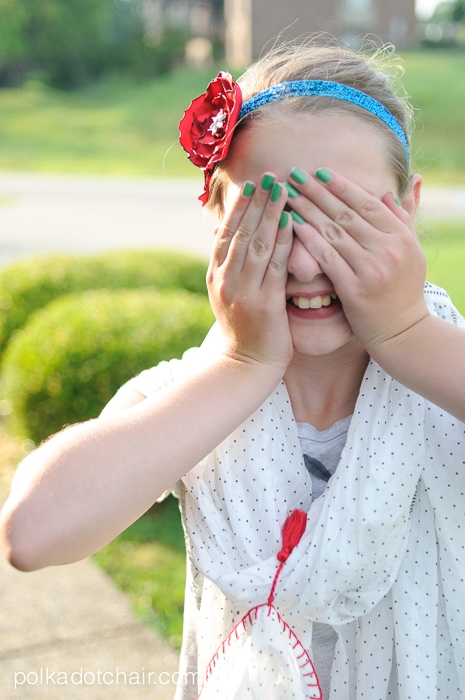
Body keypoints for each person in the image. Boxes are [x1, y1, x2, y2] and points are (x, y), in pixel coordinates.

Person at [1, 36, 465, 699]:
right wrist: (241, 363)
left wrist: (405, 333)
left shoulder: (444, 379)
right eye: (268, 220)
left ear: (408, 209)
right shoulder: (199, 392)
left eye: (342, 219)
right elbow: (34, 534)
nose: (305, 264)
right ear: (216, 220)